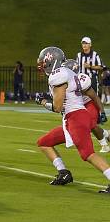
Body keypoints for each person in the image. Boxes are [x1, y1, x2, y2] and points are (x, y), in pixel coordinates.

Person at [35, 47, 110, 193]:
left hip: (75, 118)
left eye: (44, 62)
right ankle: (63, 173)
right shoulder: (68, 72)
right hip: (75, 118)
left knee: (88, 154)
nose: (42, 65)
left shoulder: (58, 75)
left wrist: (43, 102)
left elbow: (57, 107)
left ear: (52, 61)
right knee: (44, 143)